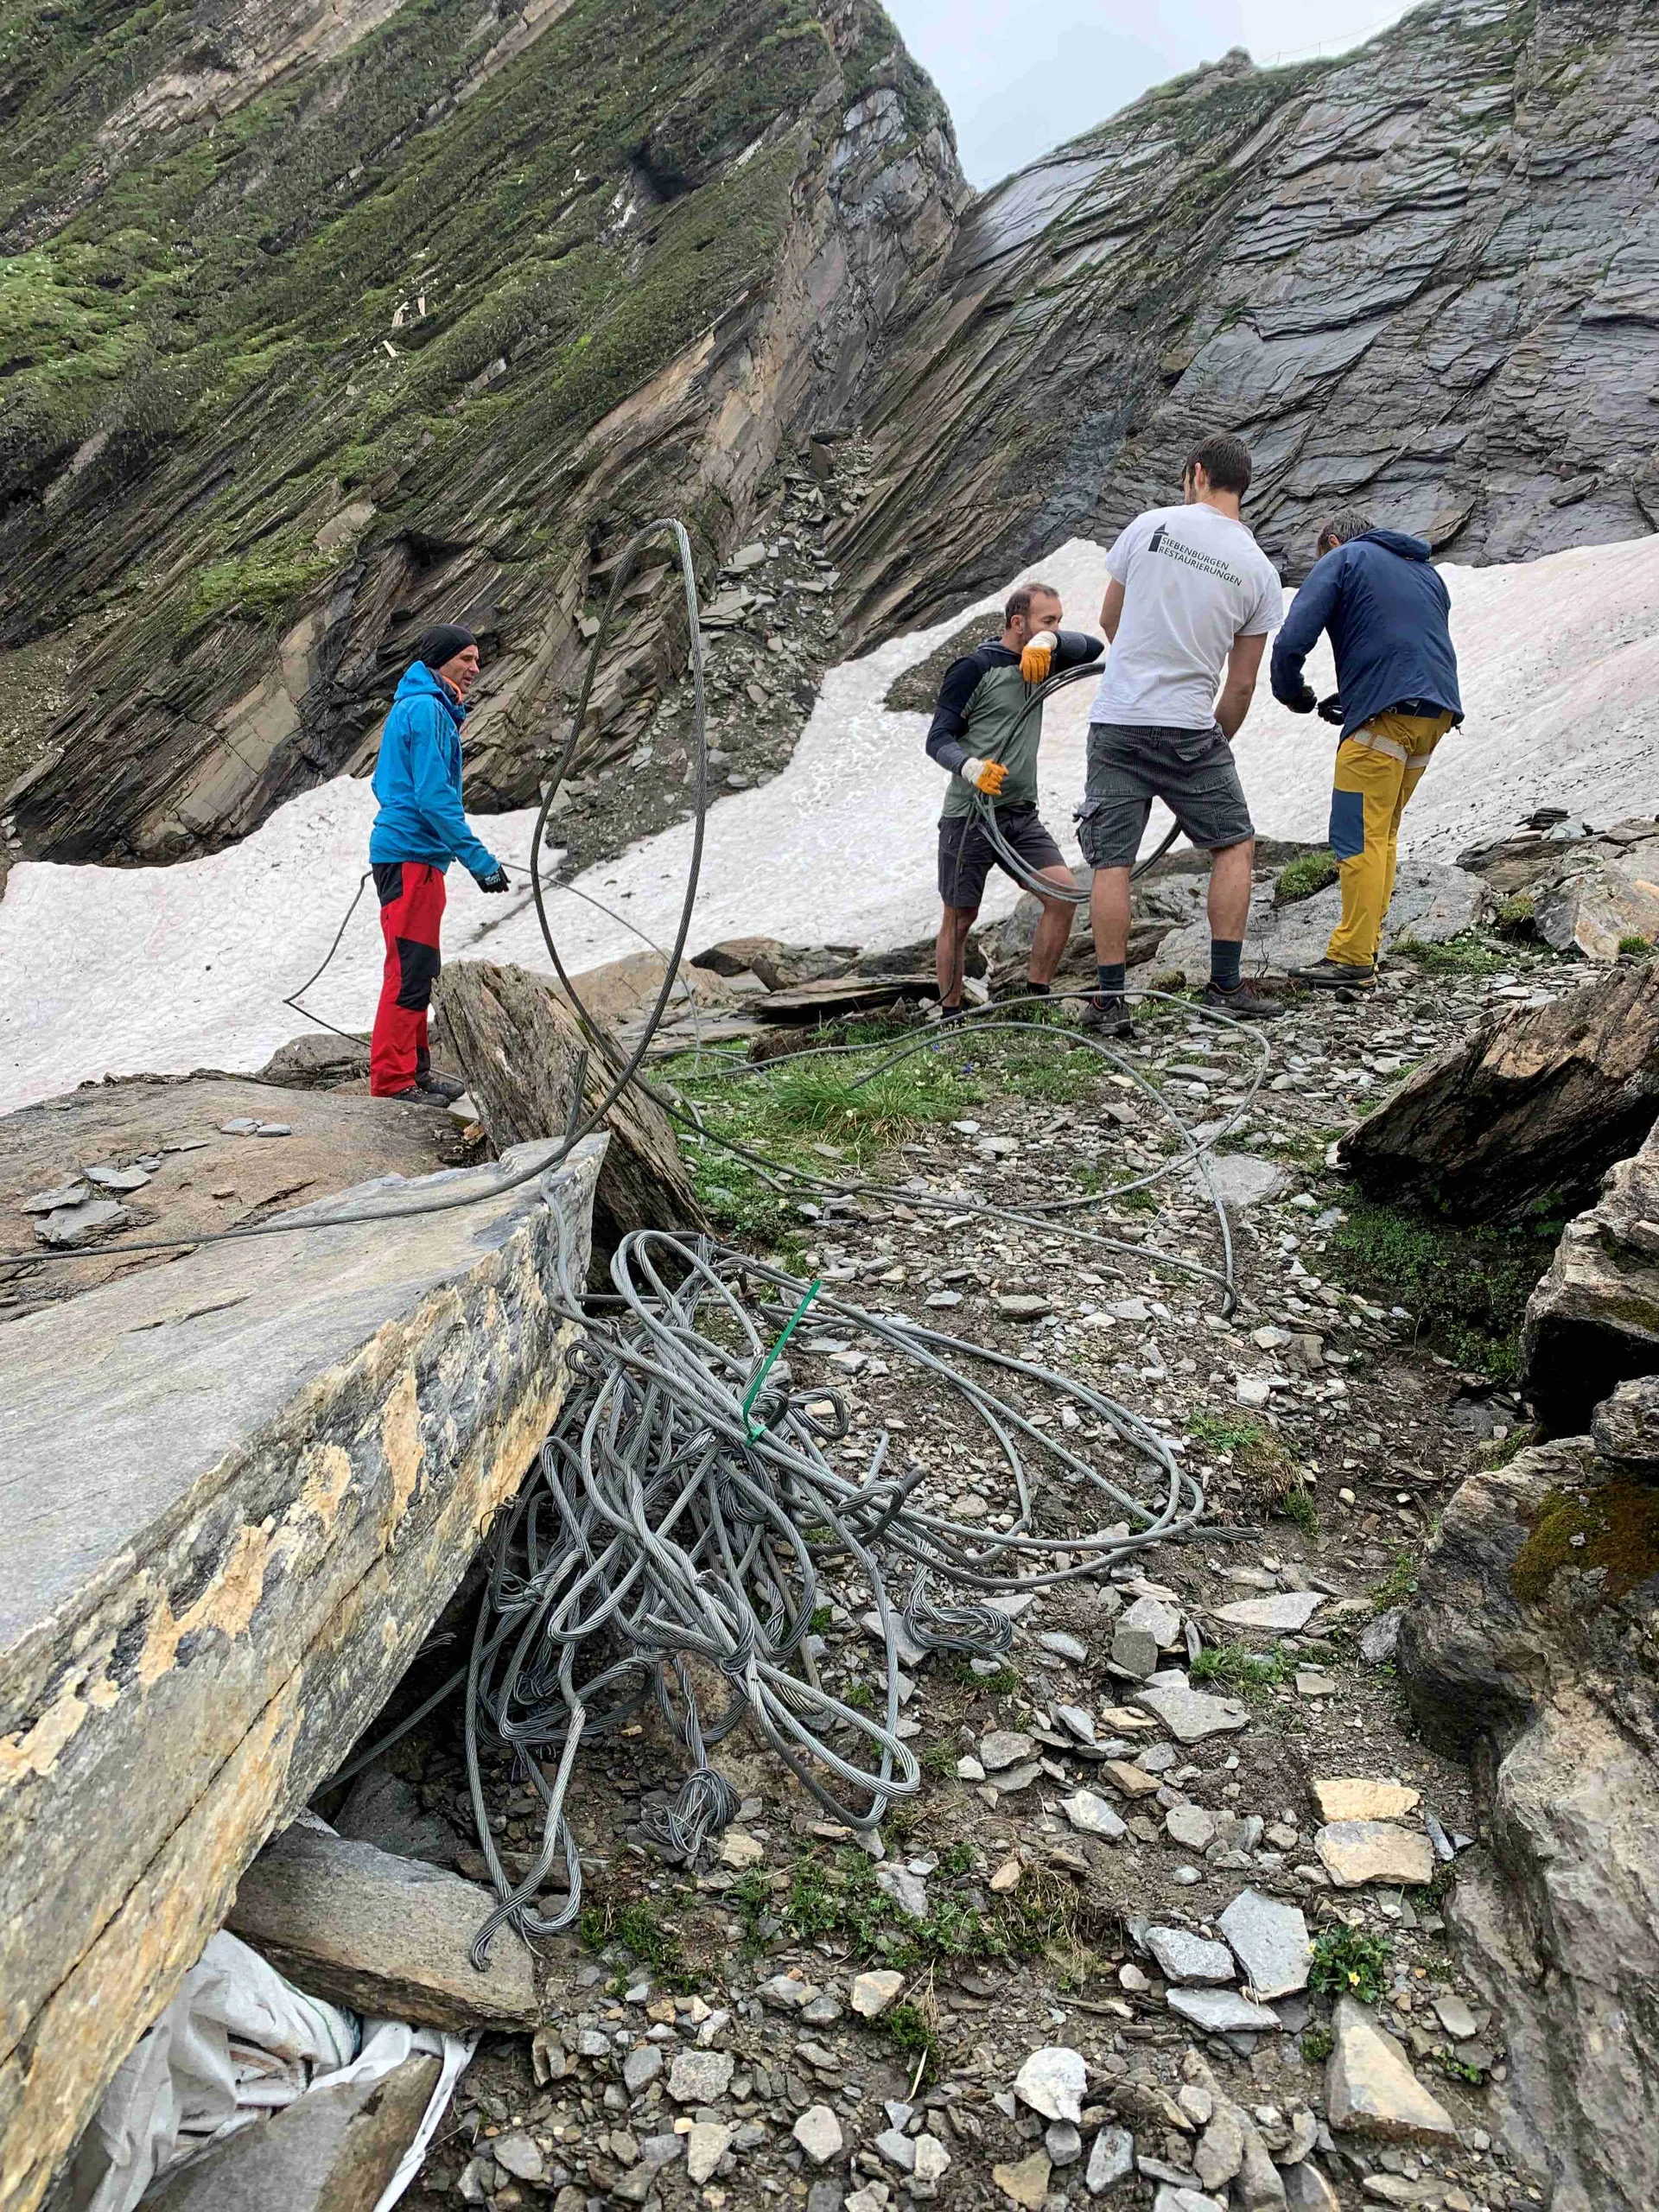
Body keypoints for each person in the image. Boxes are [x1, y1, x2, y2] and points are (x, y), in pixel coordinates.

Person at [1078, 433, 1284, 1037]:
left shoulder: (1150, 526)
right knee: (1233, 845)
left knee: (1113, 862)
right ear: (1243, 485)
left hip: (1118, 719)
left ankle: (1110, 1003)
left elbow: (1110, 619)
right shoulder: (1259, 570)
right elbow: (1241, 686)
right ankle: (1225, 987)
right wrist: (1214, 741)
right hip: (1190, 726)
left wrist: (1140, 667)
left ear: (1197, 474)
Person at [1270, 510, 1462, 988]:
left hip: (1385, 720)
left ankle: (1352, 958)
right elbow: (1404, 645)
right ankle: (1367, 947)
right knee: (1384, 834)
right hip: (1432, 717)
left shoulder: (1344, 558)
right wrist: (1357, 697)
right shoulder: (1426, 573)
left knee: (1356, 835)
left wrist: (1292, 693)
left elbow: (1292, 639)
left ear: (1333, 541)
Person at [926, 582, 1103, 1017]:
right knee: (960, 917)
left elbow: (1094, 648)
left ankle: (1035, 997)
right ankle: (951, 1016)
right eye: (1047, 621)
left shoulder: (1043, 660)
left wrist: (1048, 642)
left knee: (1063, 894)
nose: (1056, 628)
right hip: (969, 815)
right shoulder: (974, 668)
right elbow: (938, 739)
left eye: (1058, 621)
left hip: (1020, 812)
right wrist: (971, 767)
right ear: (1017, 622)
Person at [367, 623, 509, 1102]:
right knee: (409, 969)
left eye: (477, 659)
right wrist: (479, 861)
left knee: (420, 967)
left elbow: (388, 784)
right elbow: (433, 797)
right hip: (411, 857)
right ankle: (393, 1082)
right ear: (440, 659)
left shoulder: (421, 706)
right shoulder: (428, 709)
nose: (475, 668)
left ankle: (415, 1072)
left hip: (414, 856)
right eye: (466, 658)